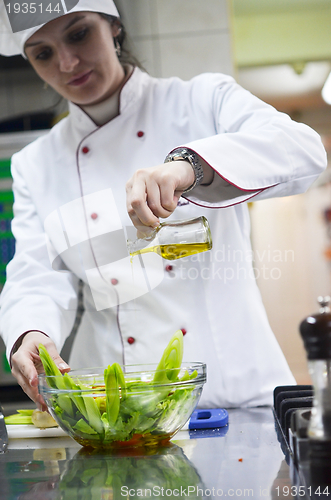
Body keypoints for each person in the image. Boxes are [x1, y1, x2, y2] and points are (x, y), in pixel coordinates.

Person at [0, 0, 327, 410]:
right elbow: (38, 274)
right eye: (43, 53)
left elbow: (304, 151)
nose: (67, 62)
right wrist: (30, 331)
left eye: (79, 33)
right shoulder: (36, 163)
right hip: (120, 406)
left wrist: (192, 167)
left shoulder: (201, 100)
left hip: (231, 392)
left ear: (113, 25)